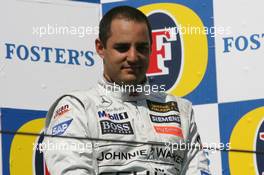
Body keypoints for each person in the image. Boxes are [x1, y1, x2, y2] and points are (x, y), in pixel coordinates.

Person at [43, 6, 211, 175]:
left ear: (152, 48)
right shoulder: (77, 107)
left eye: (142, 48)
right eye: (122, 48)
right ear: (100, 48)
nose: (133, 57)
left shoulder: (180, 109)